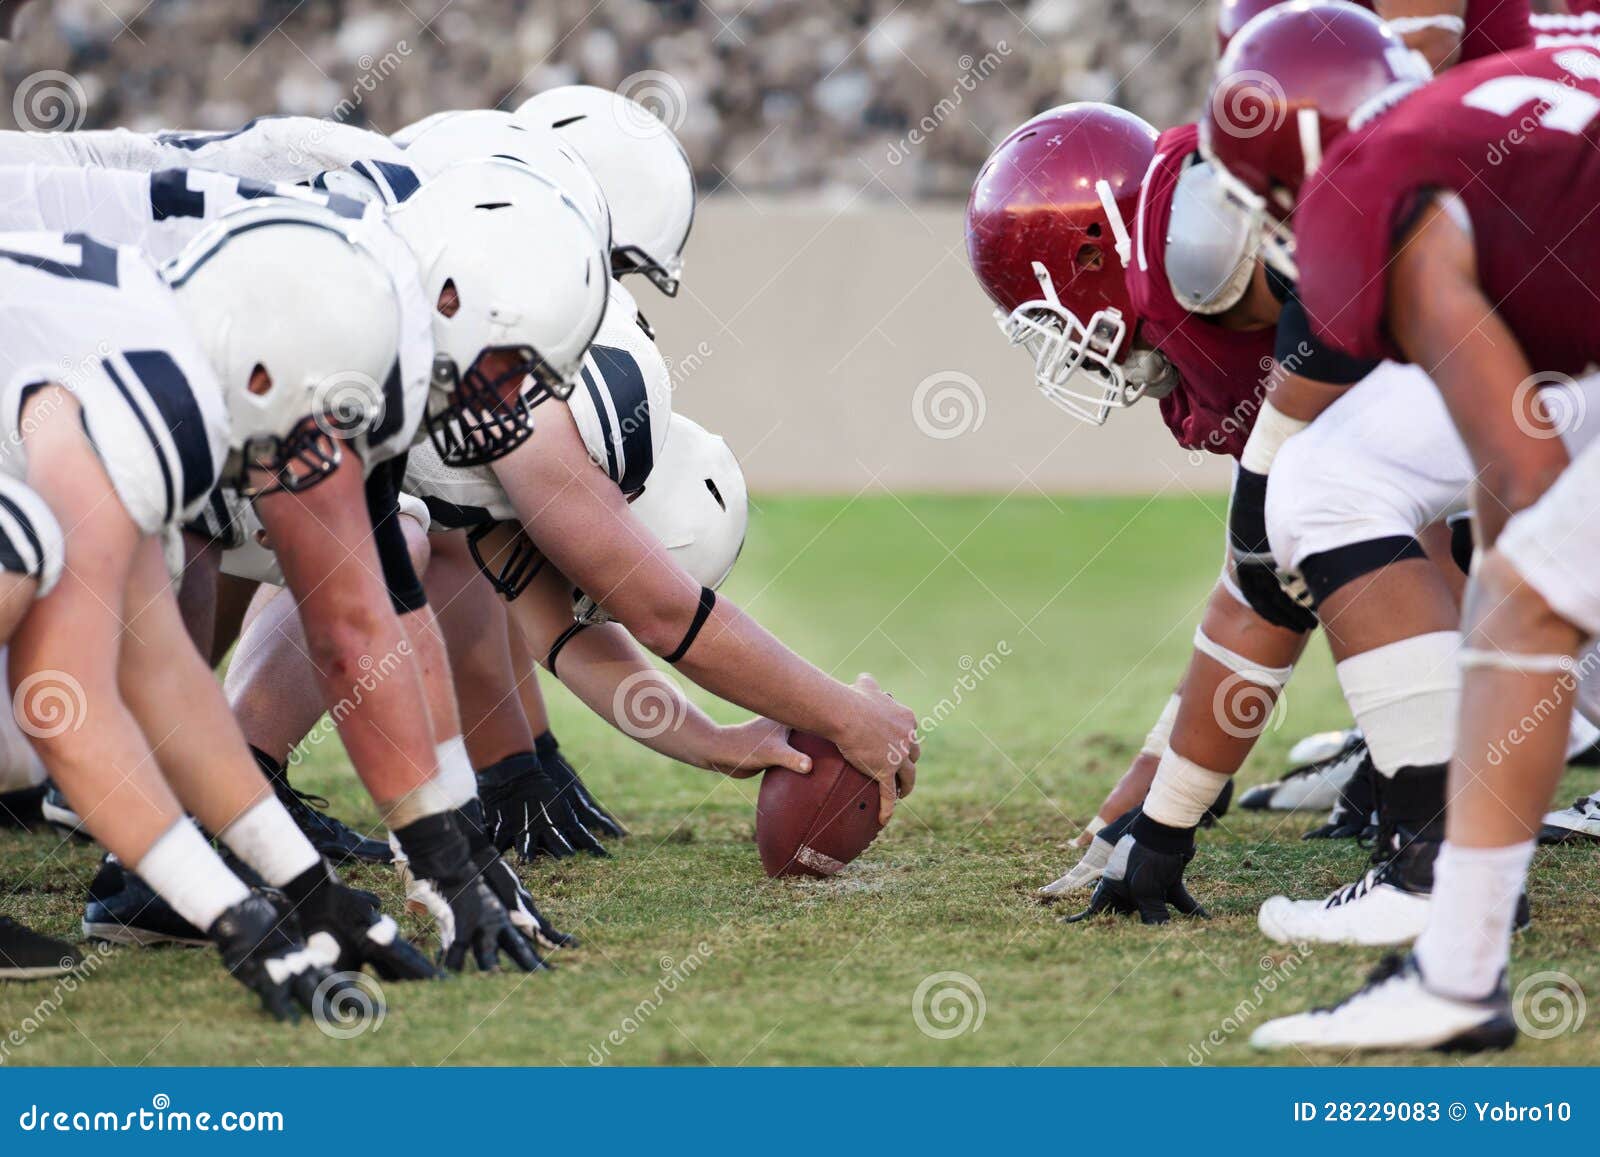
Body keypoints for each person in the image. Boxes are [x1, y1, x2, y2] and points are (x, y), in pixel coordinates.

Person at [1204, 2, 1600, 1049]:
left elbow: (1521, 462)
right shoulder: (1523, 84)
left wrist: (1510, 631)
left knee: (1522, 607)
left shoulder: (1369, 181)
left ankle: (1456, 971)